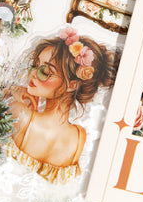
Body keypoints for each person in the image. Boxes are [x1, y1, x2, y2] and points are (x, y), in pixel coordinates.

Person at [6, 27, 116, 184]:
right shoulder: (79, 137)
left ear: (72, 85)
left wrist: (12, 91)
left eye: (45, 71)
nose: (33, 74)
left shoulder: (20, 114)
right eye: (35, 65)